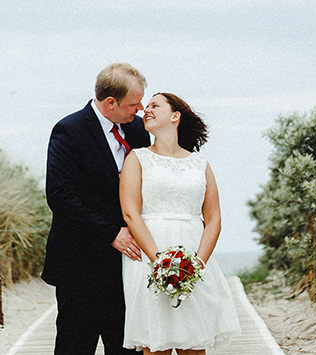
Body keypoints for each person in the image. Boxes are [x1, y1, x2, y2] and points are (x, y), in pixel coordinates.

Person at [42, 63, 152, 355]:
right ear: (110, 103)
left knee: (127, 346)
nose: (140, 109)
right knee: (76, 345)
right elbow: (60, 195)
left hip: (127, 265)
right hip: (80, 264)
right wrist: (110, 233)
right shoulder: (69, 130)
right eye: (134, 103)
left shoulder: (138, 130)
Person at [119, 93, 241, 354]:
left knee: (194, 343)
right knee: (156, 344)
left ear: (175, 116)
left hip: (194, 255)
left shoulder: (200, 163)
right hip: (149, 257)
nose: (146, 110)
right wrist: (161, 262)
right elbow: (131, 214)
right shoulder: (137, 159)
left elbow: (213, 218)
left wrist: (197, 264)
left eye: (155, 106)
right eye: (146, 106)